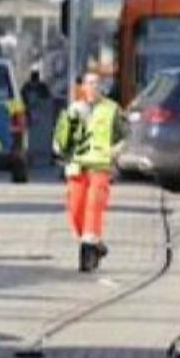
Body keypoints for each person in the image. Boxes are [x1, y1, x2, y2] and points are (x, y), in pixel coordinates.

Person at [54, 71, 124, 272]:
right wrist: (60, 150)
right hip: (77, 167)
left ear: (102, 87)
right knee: (76, 211)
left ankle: (88, 254)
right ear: (83, 87)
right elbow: (61, 136)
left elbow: (124, 136)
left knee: (93, 207)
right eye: (89, 83)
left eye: (96, 84)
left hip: (100, 167)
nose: (93, 87)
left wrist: (114, 151)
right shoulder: (74, 110)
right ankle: (95, 244)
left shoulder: (112, 110)